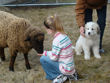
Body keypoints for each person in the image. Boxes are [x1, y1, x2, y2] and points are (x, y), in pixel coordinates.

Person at [38, 15, 79, 83]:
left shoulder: (57, 40)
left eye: (46, 28)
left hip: (65, 69)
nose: (46, 30)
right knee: (45, 55)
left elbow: (54, 58)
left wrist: (45, 54)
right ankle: (70, 74)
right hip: (70, 67)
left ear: (51, 28)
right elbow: (57, 53)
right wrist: (46, 53)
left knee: (43, 59)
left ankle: (57, 76)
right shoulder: (64, 35)